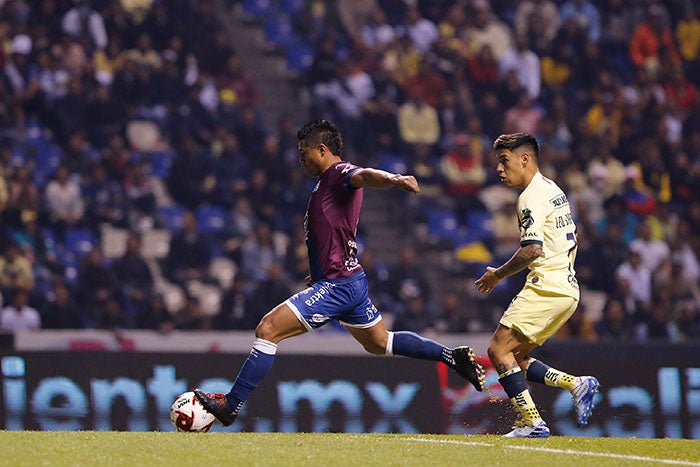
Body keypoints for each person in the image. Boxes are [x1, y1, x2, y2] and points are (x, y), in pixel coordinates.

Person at [194, 119, 485, 427]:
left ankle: (232, 404)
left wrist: (394, 178)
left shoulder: (337, 173)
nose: (301, 159)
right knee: (380, 342)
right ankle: (452, 357)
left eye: (304, 152)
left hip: (338, 285)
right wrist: (319, 272)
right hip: (347, 282)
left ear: (322, 149)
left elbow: (363, 175)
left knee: (268, 329)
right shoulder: (325, 184)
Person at [474, 133, 599, 438]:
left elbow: (532, 250)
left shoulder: (529, 197)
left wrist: (497, 275)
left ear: (525, 159)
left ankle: (532, 422)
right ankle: (575, 384)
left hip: (547, 285)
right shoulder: (553, 189)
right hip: (566, 290)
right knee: (514, 357)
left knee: (497, 350)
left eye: (505, 161)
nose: (500, 170)